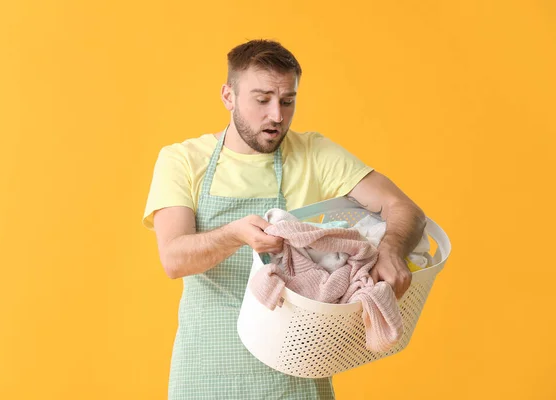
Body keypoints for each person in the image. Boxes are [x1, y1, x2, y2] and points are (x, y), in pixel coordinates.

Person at [142, 39, 427, 400]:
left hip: (296, 371)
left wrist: (391, 250)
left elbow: (405, 209)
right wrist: (235, 235)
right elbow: (174, 258)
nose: (277, 115)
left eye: (287, 101)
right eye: (262, 100)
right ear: (228, 96)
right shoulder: (182, 160)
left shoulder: (314, 153)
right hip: (207, 366)